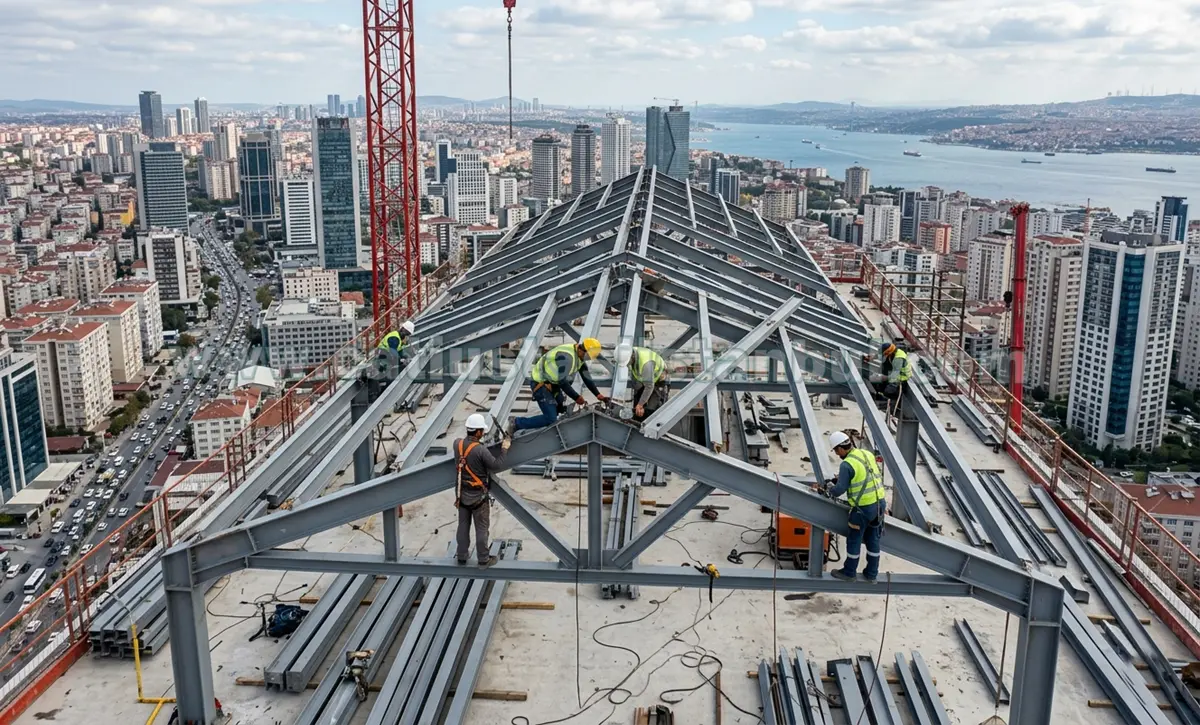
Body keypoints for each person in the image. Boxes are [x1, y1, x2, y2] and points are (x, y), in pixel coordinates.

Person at [824, 431, 885, 582]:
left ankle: (849, 572)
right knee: (873, 540)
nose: (838, 455)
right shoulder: (866, 454)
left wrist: (829, 487)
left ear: (840, 448)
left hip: (862, 509)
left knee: (854, 540)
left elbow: (839, 491)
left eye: (837, 451)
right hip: (879, 504)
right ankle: (871, 574)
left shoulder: (847, 464)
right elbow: (865, 474)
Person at [512, 338, 607, 431]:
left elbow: (586, 377)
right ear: (583, 351)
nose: (587, 359)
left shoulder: (579, 355)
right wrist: (576, 397)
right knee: (551, 418)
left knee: (560, 407)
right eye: (588, 357)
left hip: (553, 383)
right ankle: (517, 423)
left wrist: (598, 395)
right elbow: (563, 382)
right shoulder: (568, 358)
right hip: (540, 384)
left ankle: (546, 420)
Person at [454, 413, 509, 567]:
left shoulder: (456, 444)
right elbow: (496, 465)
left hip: (462, 495)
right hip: (478, 497)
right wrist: (504, 448)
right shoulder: (481, 450)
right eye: (482, 431)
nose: (483, 433)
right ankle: (483, 559)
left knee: (463, 526)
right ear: (478, 432)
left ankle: (462, 555)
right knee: (482, 528)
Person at [627, 346, 668, 422]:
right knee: (637, 408)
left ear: (631, 357)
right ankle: (637, 423)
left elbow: (649, 386)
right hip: (645, 379)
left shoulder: (646, 364)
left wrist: (640, 404)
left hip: (659, 378)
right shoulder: (629, 353)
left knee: (651, 410)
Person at [374, 320, 415, 385]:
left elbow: (400, 352)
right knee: (388, 370)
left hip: (387, 355)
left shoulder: (400, 339)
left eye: (408, 334)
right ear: (403, 330)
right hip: (382, 355)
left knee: (396, 366)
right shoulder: (394, 338)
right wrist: (401, 361)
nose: (407, 336)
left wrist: (406, 357)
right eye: (407, 334)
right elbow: (394, 353)